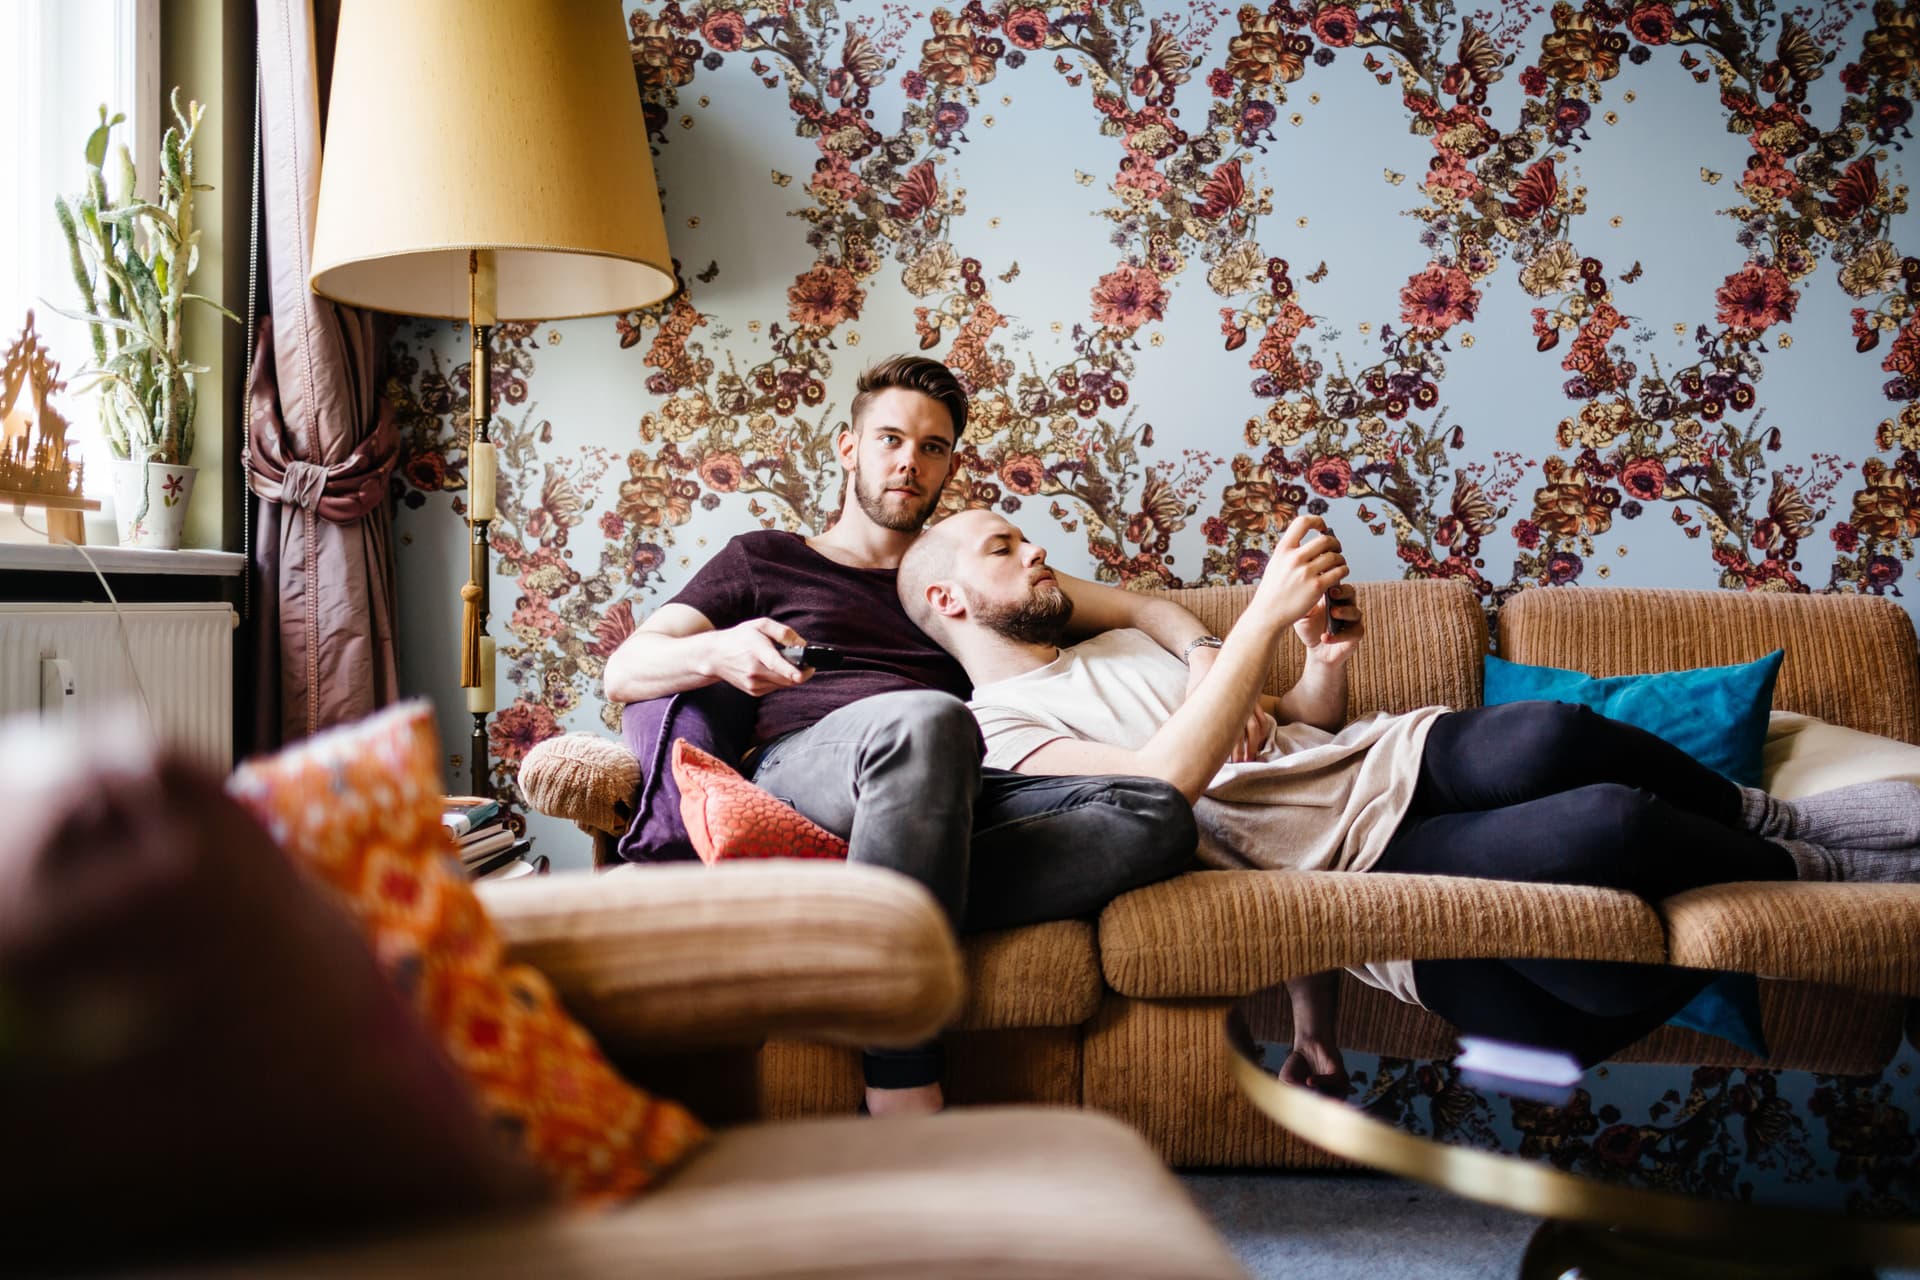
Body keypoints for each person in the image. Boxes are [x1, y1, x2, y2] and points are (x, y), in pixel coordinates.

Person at [896, 506, 1920, 1078]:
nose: (1037, 551)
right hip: (1333, 857)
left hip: (1372, 765)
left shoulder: (1120, 636)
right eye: (1003, 546)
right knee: (1600, 863)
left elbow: (1300, 726)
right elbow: (1171, 785)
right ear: (949, 597)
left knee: (1549, 734)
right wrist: (1251, 627)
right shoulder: (994, 735)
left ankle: (1784, 823)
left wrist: (1320, 659)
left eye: (1025, 535)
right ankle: (1815, 861)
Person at [603, 355, 1225, 1117]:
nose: (909, 462)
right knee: (927, 717)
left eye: (932, 447)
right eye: (891, 439)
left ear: (948, 465)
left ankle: (857, 911)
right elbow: (626, 670)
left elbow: (1144, 610)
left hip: (956, 790)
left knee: (1156, 811)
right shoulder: (763, 559)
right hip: (814, 768)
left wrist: (1205, 660)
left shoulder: (963, 575)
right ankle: (900, 1078)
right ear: (848, 447)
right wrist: (719, 651)